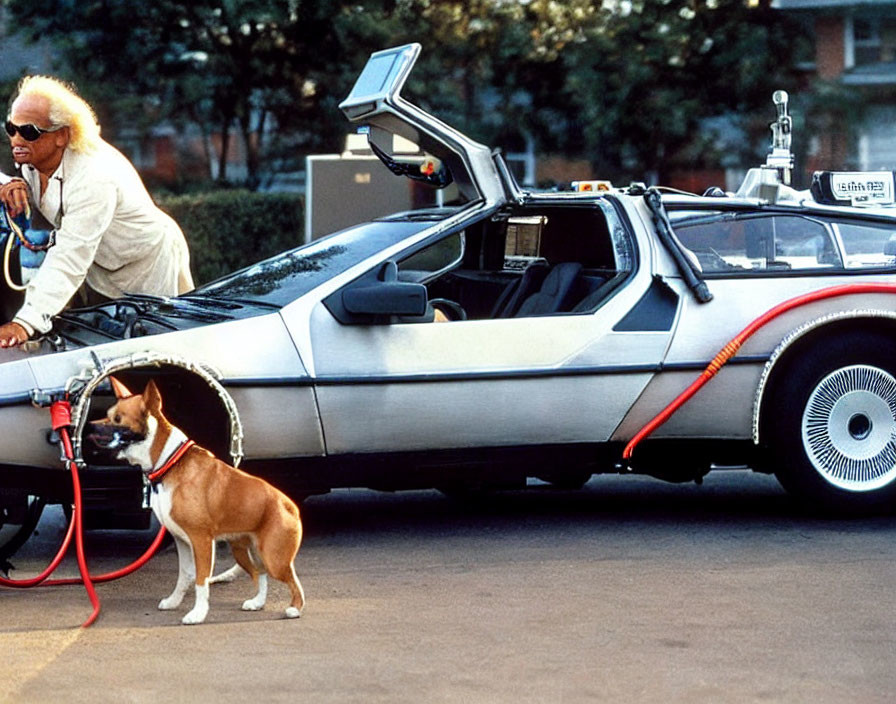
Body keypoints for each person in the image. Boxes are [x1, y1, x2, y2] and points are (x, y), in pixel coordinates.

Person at [0, 75, 193, 347]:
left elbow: (69, 257)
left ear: (62, 135)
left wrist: (25, 323)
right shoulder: (32, 156)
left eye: (29, 131)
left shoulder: (94, 176)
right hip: (101, 268)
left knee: (157, 350)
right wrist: (7, 183)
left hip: (148, 263)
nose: (17, 138)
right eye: (11, 128)